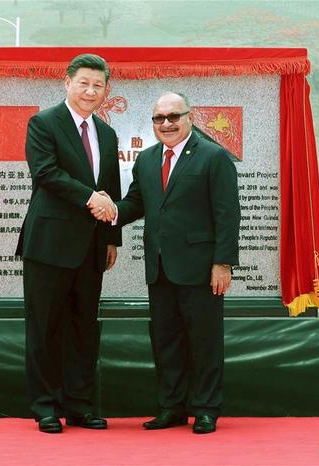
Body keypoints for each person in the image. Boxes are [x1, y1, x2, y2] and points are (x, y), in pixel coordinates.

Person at [91, 92, 240, 434]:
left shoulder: (213, 156)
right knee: (166, 340)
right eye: (159, 118)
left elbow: (228, 214)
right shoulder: (146, 159)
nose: (167, 124)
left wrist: (223, 263)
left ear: (189, 117)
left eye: (174, 116)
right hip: (159, 269)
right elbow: (135, 204)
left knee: (204, 341)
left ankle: (206, 409)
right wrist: (109, 209)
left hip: (202, 269)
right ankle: (171, 407)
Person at [15, 54, 121, 434]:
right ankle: (45, 407)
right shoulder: (44, 123)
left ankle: (80, 406)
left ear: (106, 90)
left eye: (98, 85)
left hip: (92, 248)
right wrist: (89, 197)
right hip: (49, 245)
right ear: (68, 82)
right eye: (84, 83)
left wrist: (111, 238)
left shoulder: (107, 134)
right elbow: (46, 173)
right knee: (45, 327)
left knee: (83, 328)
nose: (91, 91)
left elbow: (112, 188)